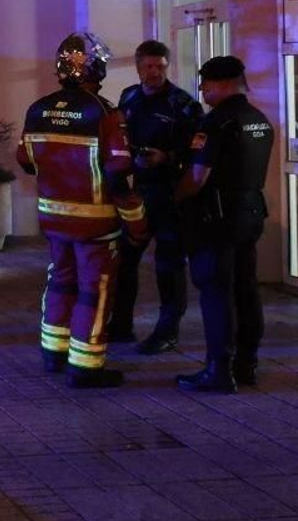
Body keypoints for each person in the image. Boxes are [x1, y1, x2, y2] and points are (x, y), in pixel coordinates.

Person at [16, 32, 149, 389]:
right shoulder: (104, 113)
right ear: (94, 69)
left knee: (60, 280)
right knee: (96, 289)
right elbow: (119, 175)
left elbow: (26, 161)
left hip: (53, 218)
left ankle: (54, 353)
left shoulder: (38, 109)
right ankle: (86, 366)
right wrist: (137, 222)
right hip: (96, 224)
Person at [174, 56, 274, 393]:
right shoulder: (258, 120)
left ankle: (218, 370)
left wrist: (174, 197)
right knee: (246, 289)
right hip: (250, 212)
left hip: (216, 218)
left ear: (224, 84)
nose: (201, 88)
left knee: (216, 292)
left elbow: (198, 178)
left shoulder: (215, 123)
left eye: (206, 82)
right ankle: (247, 364)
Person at [110, 40, 203, 354]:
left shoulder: (183, 104)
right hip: (138, 194)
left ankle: (167, 331)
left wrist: (168, 158)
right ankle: (121, 326)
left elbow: (199, 152)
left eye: (160, 67)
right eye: (148, 67)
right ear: (138, 67)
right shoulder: (129, 97)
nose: (154, 73)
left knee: (169, 265)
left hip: (171, 195)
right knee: (125, 260)